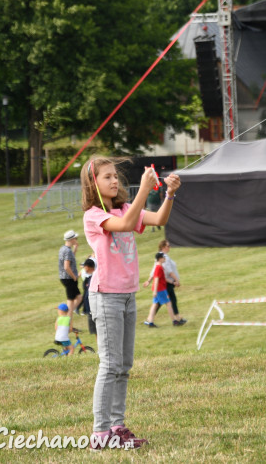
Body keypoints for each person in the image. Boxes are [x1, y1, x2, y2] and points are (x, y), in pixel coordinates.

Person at [81, 156, 180, 450]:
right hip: (105, 296)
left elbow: (159, 219)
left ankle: (117, 426)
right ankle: (100, 434)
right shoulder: (94, 216)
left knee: (124, 365)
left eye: (116, 176)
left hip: (127, 295)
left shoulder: (126, 207)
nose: (115, 181)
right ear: (93, 183)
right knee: (109, 364)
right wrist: (145, 190)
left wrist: (170, 193)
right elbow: (124, 224)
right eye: (107, 176)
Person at [144, 240, 186, 327]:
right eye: (168, 246)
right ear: (163, 247)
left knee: (157, 303)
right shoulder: (161, 263)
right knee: (169, 302)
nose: (169, 247)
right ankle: (175, 320)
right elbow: (161, 275)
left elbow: (156, 273)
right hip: (162, 287)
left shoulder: (160, 261)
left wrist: (148, 281)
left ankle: (150, 321)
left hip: (163, 286)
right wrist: (175, 280)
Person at [59, 230, 83, 327]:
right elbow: (66, 266)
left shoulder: (63, 249)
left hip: (65, 277)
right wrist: (74, 277)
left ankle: (69, 317)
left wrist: (75, 249)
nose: (76, 240)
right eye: (75, 238)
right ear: (72, 239)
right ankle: (67, 320)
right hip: (69, 278)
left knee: (78, 297)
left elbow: (70, 259)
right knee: (71, 300)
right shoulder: (67, 251)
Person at [81, 257, 97, 335]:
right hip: (90, 309)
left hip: (93, 309)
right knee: (95, 332)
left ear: (87, 267)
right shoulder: (89, 278)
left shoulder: (94, 278)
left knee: (97, 332)